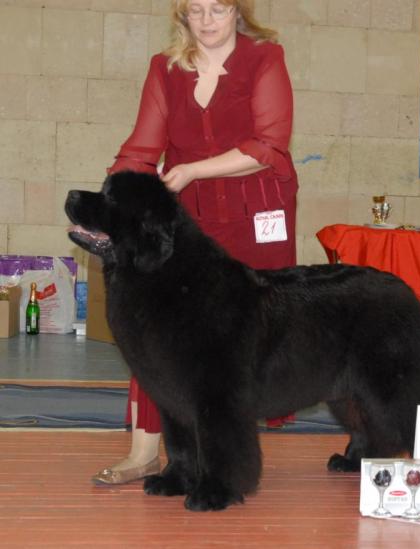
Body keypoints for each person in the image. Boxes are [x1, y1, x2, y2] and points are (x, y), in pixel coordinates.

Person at [92, 0, 298, 485]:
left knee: (240, 340)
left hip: (256, 215)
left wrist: (192, 170)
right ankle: (144, 451)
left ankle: (225, 455)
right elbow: (142, 147)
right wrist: (111, 201)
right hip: (191, 221)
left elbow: (269, 146)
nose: (207, 21)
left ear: (238, 12)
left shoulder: (265, 59)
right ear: (181, 16)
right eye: (196, 11)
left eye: (218, 10)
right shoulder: (164, 69)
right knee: (156, 330)